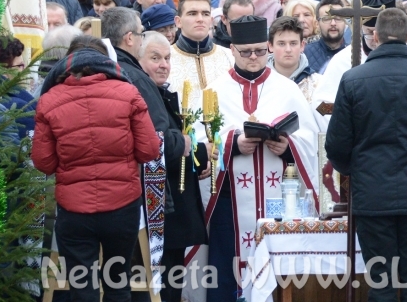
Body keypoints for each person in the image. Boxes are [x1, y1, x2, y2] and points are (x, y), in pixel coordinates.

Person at [325, 8, 407, 302]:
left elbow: (336, 145)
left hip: (372, 195)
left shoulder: (353, 80)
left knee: (381, 283)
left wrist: (355, 170)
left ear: (375, 37)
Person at [32, 35, 160, 302]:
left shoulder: (49, 99)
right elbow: (149, 150)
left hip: (74, 211)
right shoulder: (128, 92)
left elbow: (43, 163)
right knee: (118, 285)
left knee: (82, 289)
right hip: (121, 206)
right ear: (106, 61)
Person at [205, 15, 320, 301]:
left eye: (260, 50)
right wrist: (234, 143)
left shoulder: (287, 89)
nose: (254, 57)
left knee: (280, 277)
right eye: (246, 52)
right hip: (230, 204)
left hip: (279, 201)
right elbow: (201, 143)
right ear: (232, 49)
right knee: (226, 272)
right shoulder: (215, 91)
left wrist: (288, 147)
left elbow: (311, 142)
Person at [137, 32, 209, 302]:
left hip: (173, 214)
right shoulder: (144, 94)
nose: (163, 64)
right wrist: (197, 149)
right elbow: (161, 143)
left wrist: (197, 157)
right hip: (159, 213)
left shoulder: (163, 94)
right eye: (155, 58)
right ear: (138, 60)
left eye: (167, 58)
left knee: (171, 286)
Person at [101, 8, 185, 205]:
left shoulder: (102, 70)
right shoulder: (136, 78)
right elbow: (158, 140)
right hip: (138, 192)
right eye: (140, 33)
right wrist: (183, 143)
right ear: (130, 38)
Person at [165, 0, 234, 114]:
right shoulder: (165, 60)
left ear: (211, 20)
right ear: (178, 21)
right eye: (192, 14)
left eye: (205, 14)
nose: (200, 19)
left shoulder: (230, 57)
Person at [266, 15, 321, 102]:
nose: (288, 50)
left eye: (293, 43)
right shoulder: (259, 84)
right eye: (281, 44)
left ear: (302, 45)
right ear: (270, 46)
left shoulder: (318, 84)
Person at [303, 0, 348, 73]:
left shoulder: (353, 53)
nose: (333, 23)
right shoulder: (305, 54)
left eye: (338, 18)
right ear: (317, 24)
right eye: (326, 19)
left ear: (345, 22)